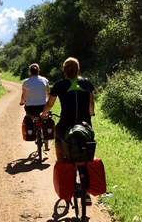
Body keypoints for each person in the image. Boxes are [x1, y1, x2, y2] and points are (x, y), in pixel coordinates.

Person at [41, 57, 95, 202]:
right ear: (79, 70)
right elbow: (91, 103)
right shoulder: (87, 83)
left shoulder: (60, 85)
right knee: (86, 155)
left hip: (66, 126)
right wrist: (91, 113)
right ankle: (87, 191)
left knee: (62, 153)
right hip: (85, 127)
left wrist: (43, 115)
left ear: (64, 71)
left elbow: (50, 104)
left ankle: (67, 182)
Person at [20, 63, 50, 149]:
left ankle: (33, 124)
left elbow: (23, 95)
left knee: (29, 116)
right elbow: (48, 93)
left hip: (31, 108)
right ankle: (46, 142)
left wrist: (22, 102)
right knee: (45, 118)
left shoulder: (26, 82)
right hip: (43, 106)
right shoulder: (45, 80)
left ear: (30, 72)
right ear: (38, 71)